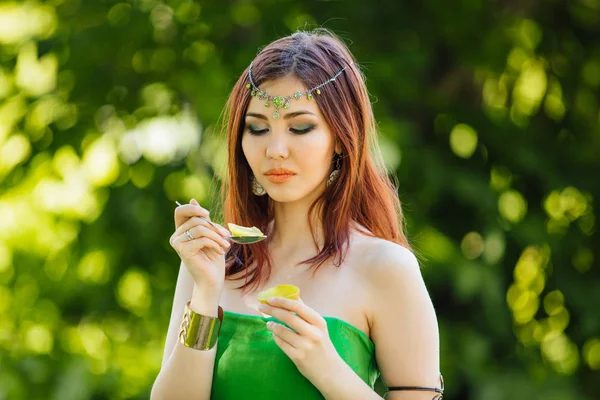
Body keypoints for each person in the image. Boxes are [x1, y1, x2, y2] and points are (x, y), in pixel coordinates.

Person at [151, 28, 443, 400]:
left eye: (300, 127)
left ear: (341, 136)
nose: (275, 149)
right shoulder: (212, 260)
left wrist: (328, 370)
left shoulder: (386, 267)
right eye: (257, 128)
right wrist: (207, 294)